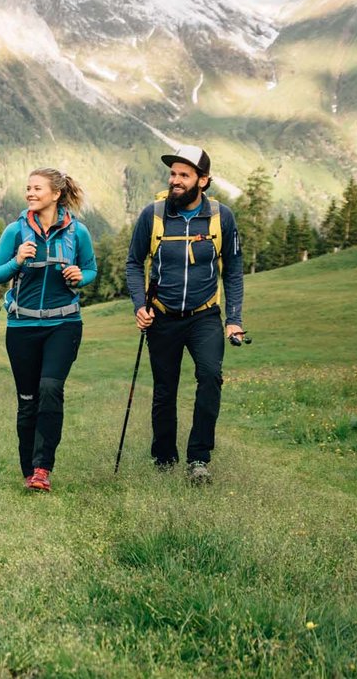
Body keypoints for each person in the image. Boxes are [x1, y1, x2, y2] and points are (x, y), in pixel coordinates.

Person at [126, 145, 247, 485]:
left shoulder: (222, 217)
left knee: (210, 376)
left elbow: (234, 270)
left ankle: (199, 459)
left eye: (184, 175)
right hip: (161, 316)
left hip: (204, 316)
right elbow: (134, 263)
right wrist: (140, 305)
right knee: (165, 389)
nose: (175, 180)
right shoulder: (153, 214)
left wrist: (233, 319)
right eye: (173, 173)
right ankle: (164, 459)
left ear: (203, 181)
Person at [0, 167, 97, 493]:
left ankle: (42, 469)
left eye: (37, 188)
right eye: (28, 188)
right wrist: (17, 260)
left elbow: (91, 269)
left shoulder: (78, 232)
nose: (30, 194)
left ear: (56, 193)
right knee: (28, 400)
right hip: (21, 326)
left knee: (50, 388)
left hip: (64, 324)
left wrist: (81, 275)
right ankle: (27, 469)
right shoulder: (15, 232)